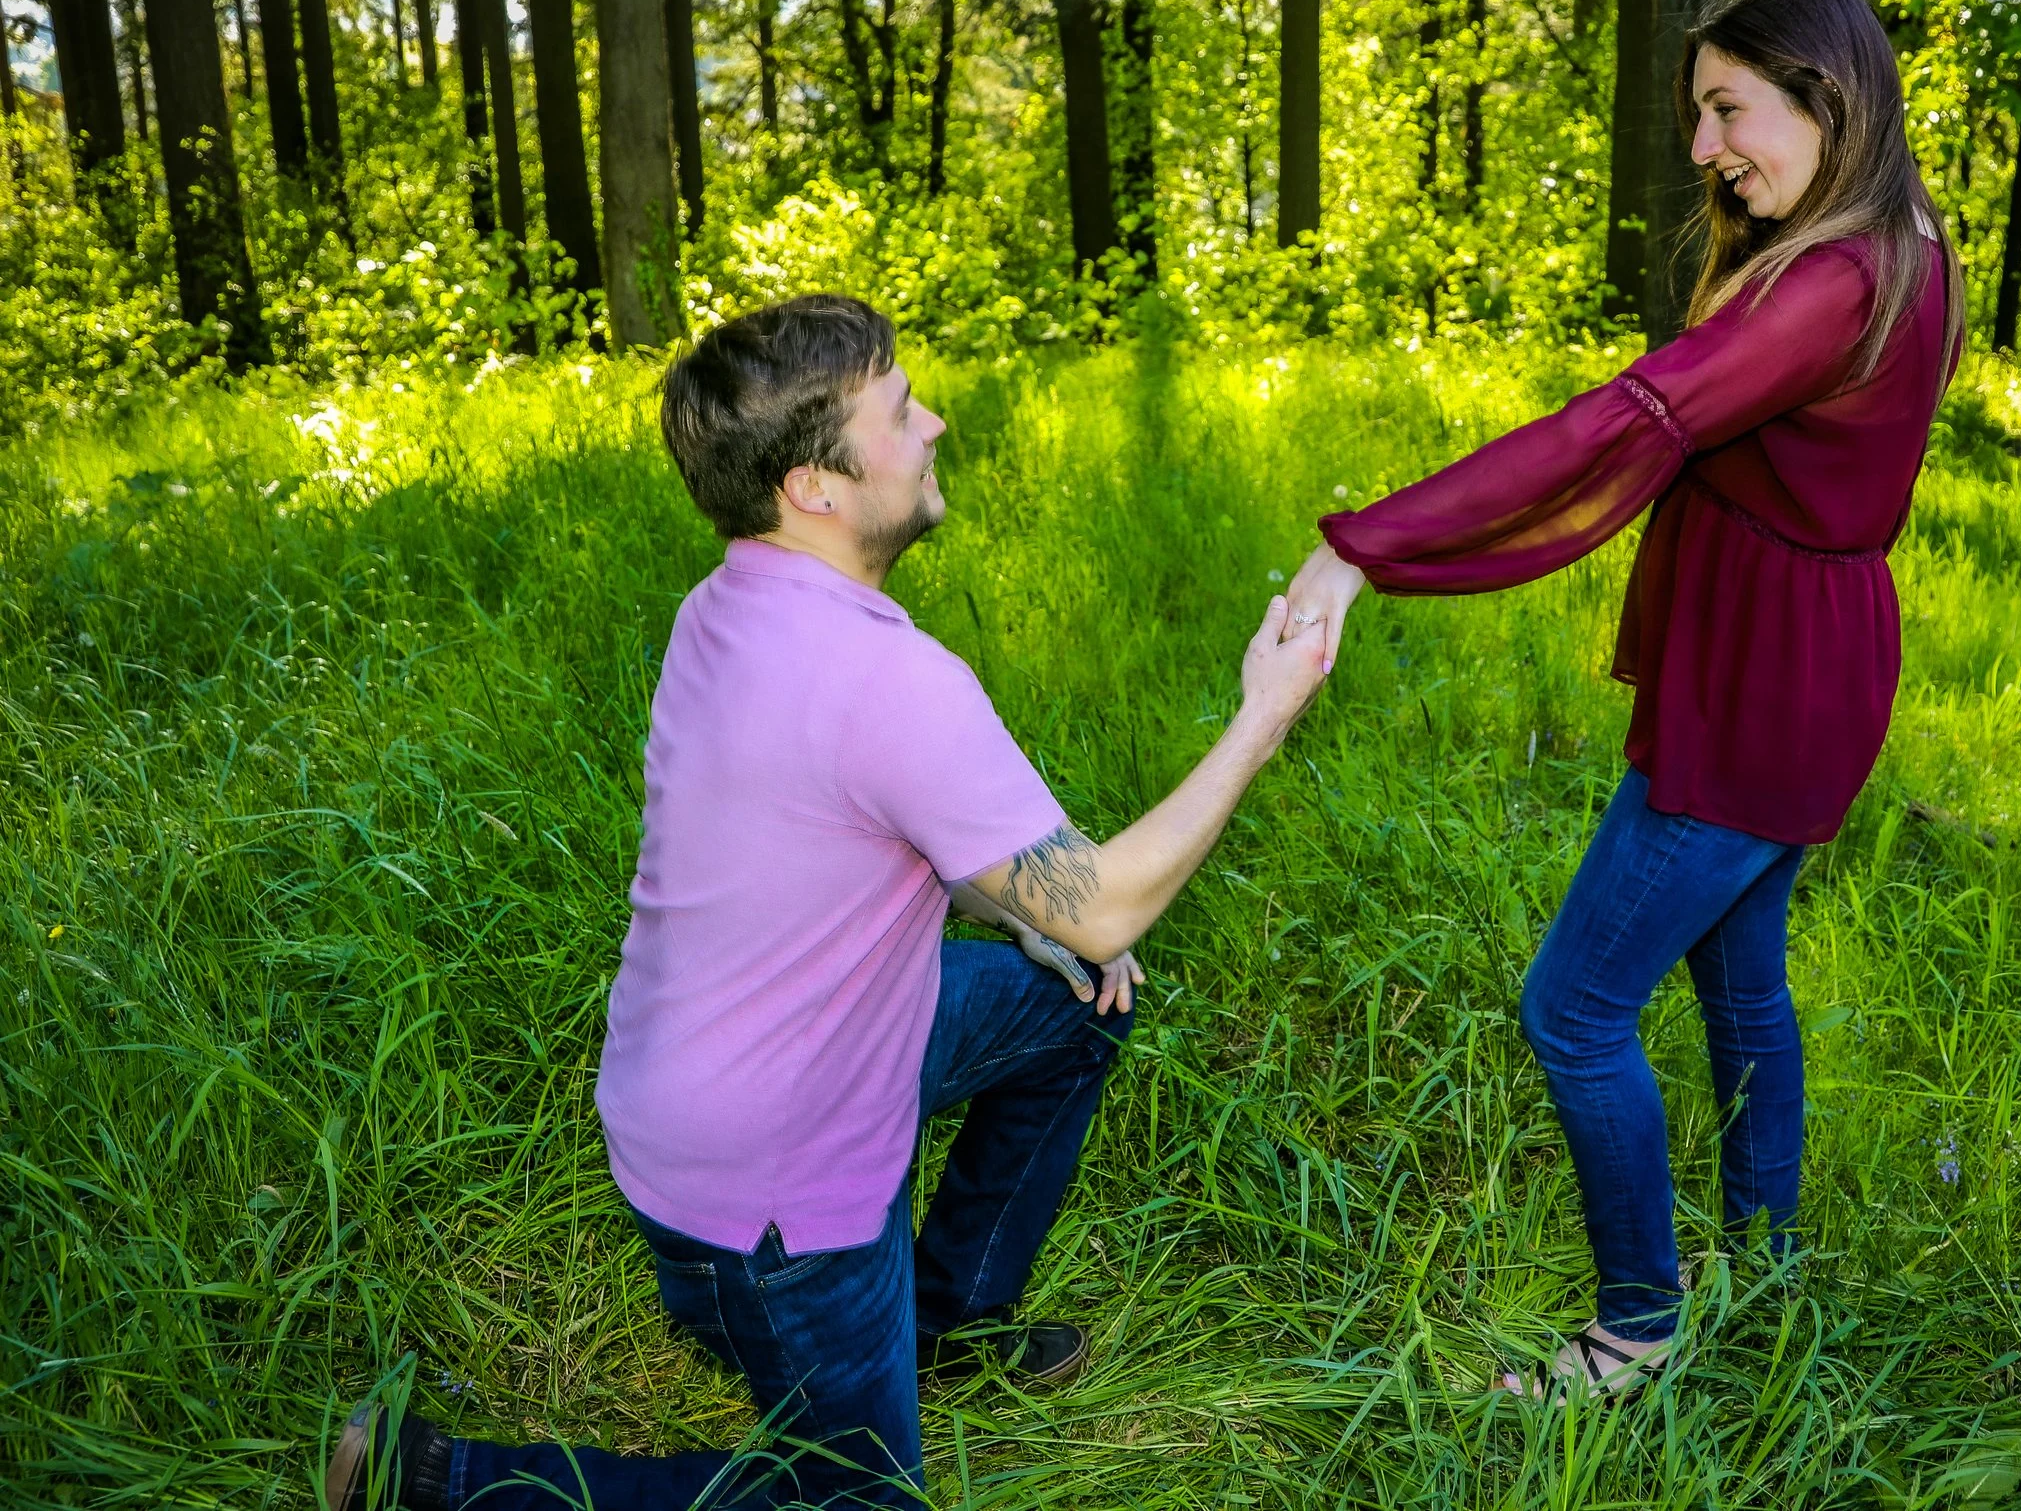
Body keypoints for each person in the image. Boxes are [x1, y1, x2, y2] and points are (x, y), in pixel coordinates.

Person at [325, 295, 1331, 1509]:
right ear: (816, 484)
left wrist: (1021, 910)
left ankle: (940, 1326)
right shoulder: (885, 680)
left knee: (1072, 999)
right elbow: (1108, 906)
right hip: (765, 1188)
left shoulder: (731, 606)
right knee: (852, 1499)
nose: (935, 421)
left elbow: (866, 832)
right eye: (902, 411)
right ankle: (431, 1480)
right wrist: (1262, 715)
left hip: (720, 1084)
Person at [1284, 0, 1965, 1401]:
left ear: (1822, 96)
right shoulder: (1896, 238)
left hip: (1764, 681)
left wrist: (1367, 549)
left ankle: (1637, 1329)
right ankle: (1765, 1271)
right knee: (1742, 978)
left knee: (1574, 1006)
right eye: (1697, 115)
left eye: (1729, 108)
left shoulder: (1831, 280)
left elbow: (1626, 422)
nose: (1707, 145)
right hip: (1793, 662)